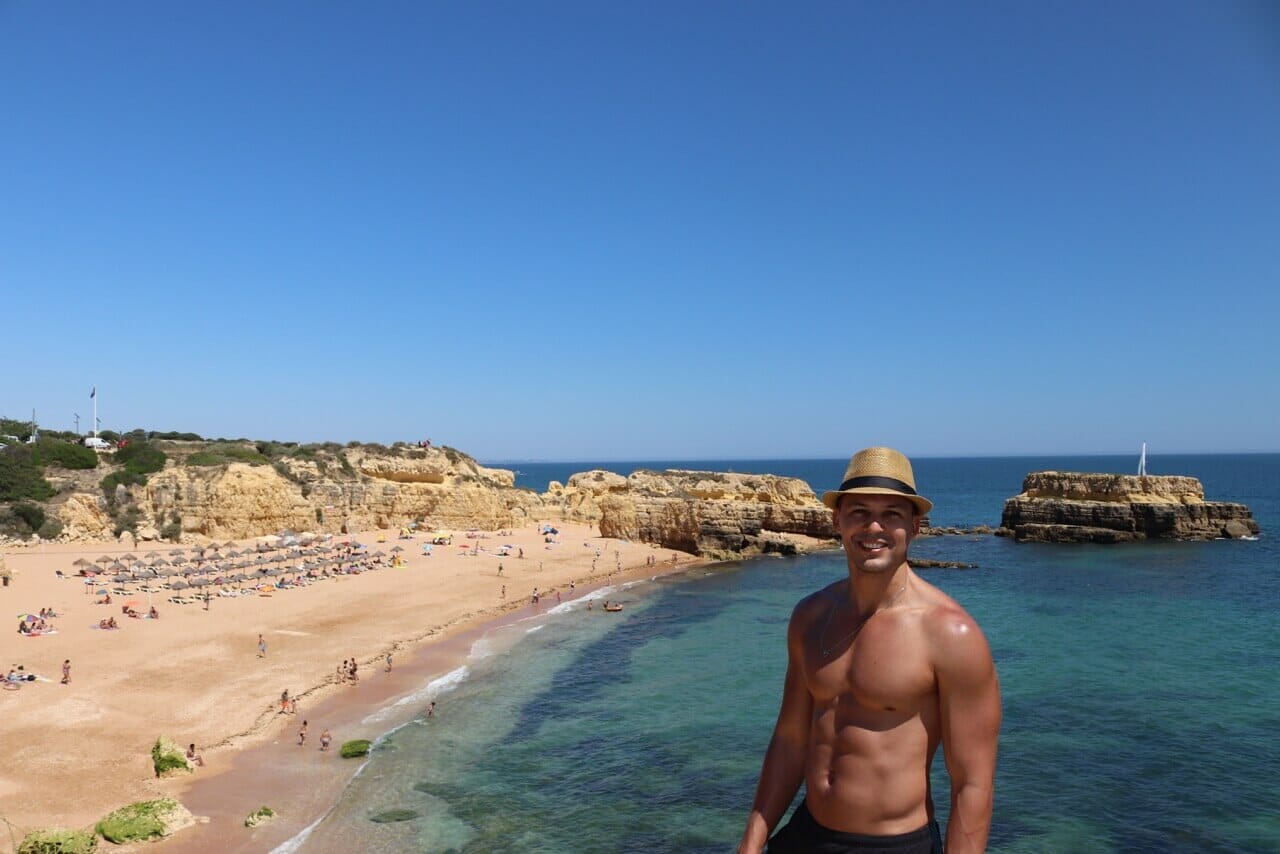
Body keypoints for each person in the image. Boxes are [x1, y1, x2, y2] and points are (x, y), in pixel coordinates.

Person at [738, 447, 1000, 854]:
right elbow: (791, 739)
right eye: (858, 511)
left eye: (891, 514)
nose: (873, 527)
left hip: (893, 846)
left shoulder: (951, 634)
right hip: (806, 834)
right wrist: (752, 843)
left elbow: (972, 782)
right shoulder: (810, 616)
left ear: (915, 526)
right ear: (836, 521)